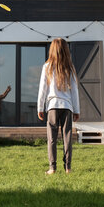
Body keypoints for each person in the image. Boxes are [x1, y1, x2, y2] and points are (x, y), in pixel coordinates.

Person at [37, 38, 80, 174]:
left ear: (52, 50)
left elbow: (42, 89)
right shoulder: (70, 67)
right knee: (67, 137)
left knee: (52, 138)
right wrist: (76, 109)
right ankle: (68, 167)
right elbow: (74, 90)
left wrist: (40, 107)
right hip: (67, 107)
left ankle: (52, 168)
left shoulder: (47, 66)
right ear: (66, 50)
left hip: (52, 106)